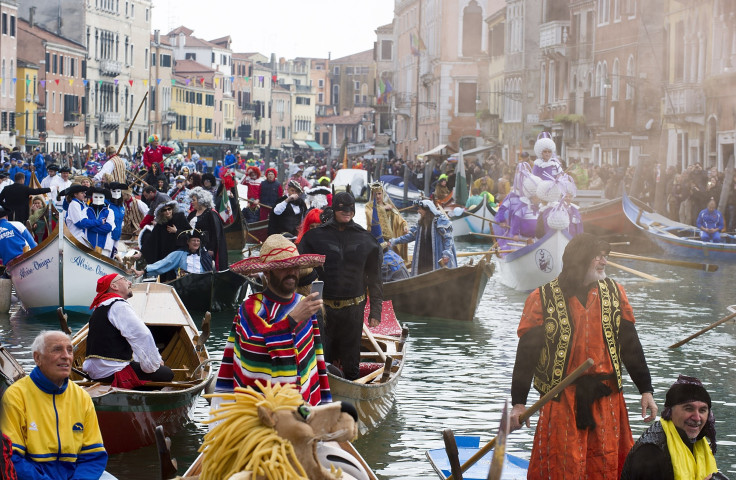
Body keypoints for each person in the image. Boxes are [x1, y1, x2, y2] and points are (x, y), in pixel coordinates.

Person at [509, 233, 657, 480]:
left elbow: (630, 344)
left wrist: (646, 390)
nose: (604, 262)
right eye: (598, 256)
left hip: (607, 396)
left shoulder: (614, 293)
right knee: (563, 466)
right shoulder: (542, 298)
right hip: (562, 398)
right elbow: (526, 355)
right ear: (580, 259)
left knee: (605, 465)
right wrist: (518, 403)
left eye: (605, 256)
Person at [217, 234, 331, 405]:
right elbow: (252, 350)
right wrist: (291, 320)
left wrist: (319, 404)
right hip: (261, 408)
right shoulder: (251, 307)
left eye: (294, 267)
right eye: (283, 268)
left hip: (303, 407)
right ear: (267, 272)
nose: (291, 272)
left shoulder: (303, 304)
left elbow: (313, 360)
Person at [298, 192, 383, 380]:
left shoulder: (367, 240)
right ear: (334, 207)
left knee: (351, 362)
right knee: (320, 358)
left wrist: (376, 311)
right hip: (322, 308)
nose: (347, 211)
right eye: (342, 207)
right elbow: (299, 270)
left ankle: (352, 400)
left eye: (350, 207)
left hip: (354, 308)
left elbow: (375, 278)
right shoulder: (313, 238)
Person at [0, 331, 107, 479]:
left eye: (69, 350)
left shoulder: (82, 397)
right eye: (57, 349)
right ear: (37, 358)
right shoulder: (16, 396)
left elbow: (94, 455)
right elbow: (12, 457)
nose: (66, 356)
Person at [620, 375, 729, 480]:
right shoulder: (651, 452)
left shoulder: (696, 441)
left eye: (702, 410)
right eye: (688, 408)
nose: (697, 417)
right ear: (670, 411)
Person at [82, 274, 174, 384]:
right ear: (114, 286)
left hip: (95, 372)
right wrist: (154, 363)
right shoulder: (119, 305)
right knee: (166, 373)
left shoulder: (100, 307)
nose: (130, 282)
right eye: (125, 280)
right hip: (110, 371)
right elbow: (142, 335)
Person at [390, 199, 457, 276]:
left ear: (427, 210)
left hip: (436, 258)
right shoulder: (420, 223)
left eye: (420, 209)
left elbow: (448, 239)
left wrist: (446, 254)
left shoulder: (440, 221)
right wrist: (394, 241)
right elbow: (410, 236)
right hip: (423, 258)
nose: (418, 211)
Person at [135, 229, 213, 278]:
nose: (196, 243)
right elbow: (163, 264)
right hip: (184, 285)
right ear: (188, 242)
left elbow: (210, 272)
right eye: (193, 240)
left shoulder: (205, 256)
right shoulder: (179, 254)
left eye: (198, 241)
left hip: (202, 284)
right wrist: (144, 271)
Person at [365, 182, 409, 263]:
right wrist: (382, 208)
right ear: (372, 194)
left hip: (389, 240)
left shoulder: (389, 206)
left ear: (382, 194)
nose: (377, 196)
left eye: (379, 194)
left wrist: (404, 225)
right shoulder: (369, 206)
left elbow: (398, 218)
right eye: (375, 194)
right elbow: (370, 217)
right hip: (375, 239)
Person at [187, 187, 228, 270]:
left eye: (194, 200)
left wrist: (211, 249)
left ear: (201, 201)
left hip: (206, 249)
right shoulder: (192, 213)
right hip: (192, 247)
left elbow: (215, 234)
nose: (192, 202)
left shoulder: (211, 214)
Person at [85, 187, 115, 256]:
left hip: (104, 246)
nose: (98, 199)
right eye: (96, 197)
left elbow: (108, 228)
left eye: (101, 197)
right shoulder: (86, 210)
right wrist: (99, 223)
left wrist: (90, 226)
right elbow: (84, 223)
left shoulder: (110, 211)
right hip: (88, 245)